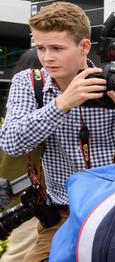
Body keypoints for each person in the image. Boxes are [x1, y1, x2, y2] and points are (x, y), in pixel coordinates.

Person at [0, 2, 115, 261]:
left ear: (84, 47)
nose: (47, 57)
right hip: (62, 214)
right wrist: (62, 104)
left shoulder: (114, 83)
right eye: (41, 48)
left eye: (57, 48)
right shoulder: (30, 82)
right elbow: (11, 142)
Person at [0, 48, 42, 262]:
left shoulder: (13, 116)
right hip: (32, 200)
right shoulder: (35, 116)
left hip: (18, 197)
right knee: (19, 256)